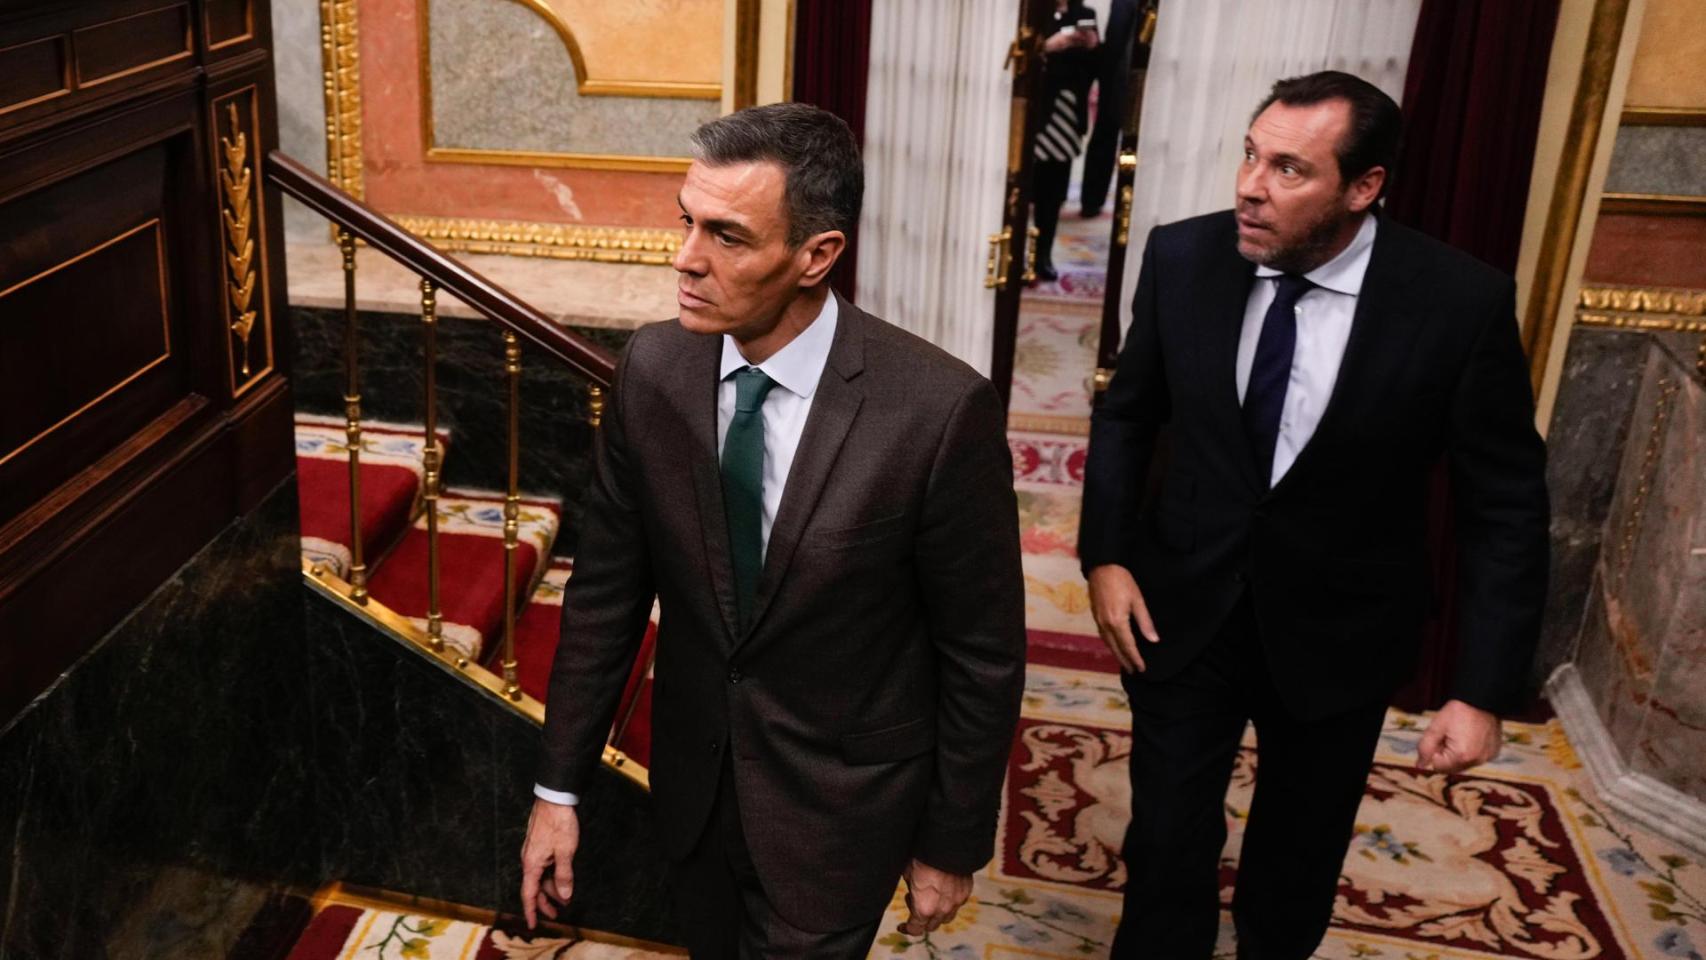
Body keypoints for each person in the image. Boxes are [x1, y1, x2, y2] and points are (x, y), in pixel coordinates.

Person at [519, 103, 1026, 959]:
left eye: (728, 236)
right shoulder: (653, 369)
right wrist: (557, 790)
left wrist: (949, 838)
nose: (685, 259)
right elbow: (605, 593)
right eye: (687, 223)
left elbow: (981, 651)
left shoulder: (937, 412)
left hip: (841, 815)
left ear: (816, 256)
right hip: (690, 792)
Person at [1079, 71, 1549, 960]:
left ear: (1363, 188)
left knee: (1297, 857)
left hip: (1344, 629)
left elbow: (1507, 505)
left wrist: (1482, 688)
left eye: (1289, 169)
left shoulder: (1457, 303)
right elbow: (1129, 412)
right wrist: (1105, 555)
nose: (1250, 186)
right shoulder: (1183, 258)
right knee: (1166, 841)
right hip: (1185, 605)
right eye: (1251, 155)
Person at [1031, 0, 1100, 282]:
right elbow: (1021, 60)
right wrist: (1049, 46)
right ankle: (1019, 258)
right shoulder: (1033, 11)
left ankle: (1042, 256)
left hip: (1068, 116)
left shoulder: (1085, 14)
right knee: (1026, 193)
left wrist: (1094, 46)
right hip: (1034, 114)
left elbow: (1098, 69)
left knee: (1054, 195)